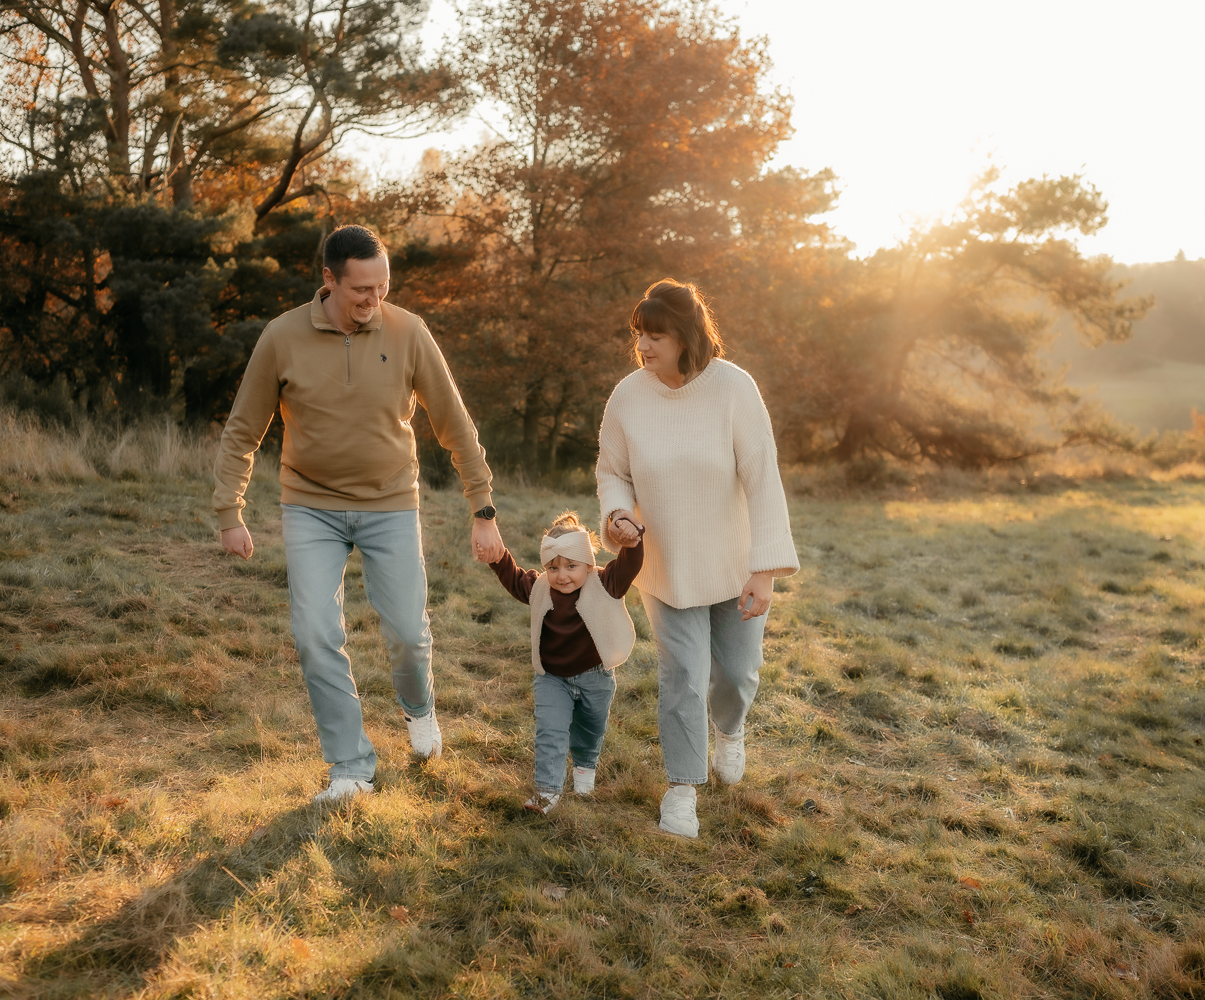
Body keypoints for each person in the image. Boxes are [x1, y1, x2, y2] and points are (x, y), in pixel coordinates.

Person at [213, 224, 505, 803]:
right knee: (315, 634)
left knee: (408, 634)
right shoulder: (281, 337)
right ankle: (350, 768)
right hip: (310, 505)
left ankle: (418, 708)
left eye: (383, 287)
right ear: (329, 279)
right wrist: (229, 510)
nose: (375, 299)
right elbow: (243, 428)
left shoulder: (409, 332)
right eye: (362, 290)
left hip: (390, 502)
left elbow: (454, 421)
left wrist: (483, 506)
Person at [596, 278, 799, 838]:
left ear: (686, 337)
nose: (643, 346)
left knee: (736, 673)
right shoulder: (628, 396)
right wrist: (617, 513)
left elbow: (763, 479)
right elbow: (612, 470)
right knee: (683, 676)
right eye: (639, 334)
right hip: (666, 565)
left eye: (656, 336)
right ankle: (682, 789)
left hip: (734, 564)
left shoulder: (734, 388)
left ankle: (729, 731)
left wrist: (764, 571)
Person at [486, 511, 644, 813]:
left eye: (572, 566)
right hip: (551, 677)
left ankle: (585, 766)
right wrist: (497, 557)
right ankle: (547, 791)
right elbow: (514, 578)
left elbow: (630, 564)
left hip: (595, 676)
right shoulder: (540, 587)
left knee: (590, 729)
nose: (562, 576)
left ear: (588, 563)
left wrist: (632, 540)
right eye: (553, 567)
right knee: (550, 731)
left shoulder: (605, 582)